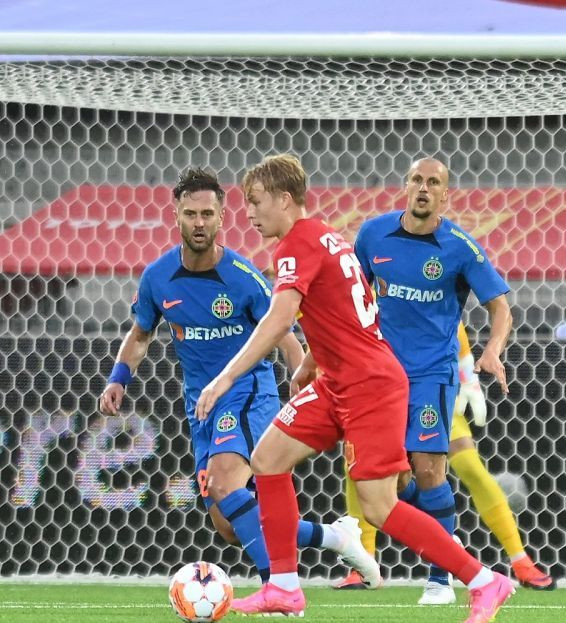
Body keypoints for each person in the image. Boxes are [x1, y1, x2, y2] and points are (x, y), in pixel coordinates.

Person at [194, 154, 515, 622]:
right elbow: (343, 310)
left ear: (285, 200)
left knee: (380, 506)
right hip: (338, 381)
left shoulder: (296, 246)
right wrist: (311, 361)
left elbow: (280, 317)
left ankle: (485, 581)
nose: (248, 213)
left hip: (370, 385)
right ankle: (284, 587)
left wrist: (226, 377)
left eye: (255, 201)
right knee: (267, 459)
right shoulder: (326, 235)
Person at [98, 168, 377, 589]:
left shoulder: (243, 278)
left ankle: (279, 590)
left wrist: (303, 385)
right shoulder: (157, 278)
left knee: (228, 483)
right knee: (229, 526)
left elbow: (282, 332)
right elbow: (140, 335)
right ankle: (335, 536)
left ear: (221, 217)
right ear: (176, 214)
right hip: (202, 405)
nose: (199, 223)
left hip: (248, 392)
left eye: (207, 214)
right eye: (191, 213)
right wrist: (118, 378)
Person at [348, 156, 519, 605]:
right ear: (406, 185)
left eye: (434, 183)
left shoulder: (460, 247)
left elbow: (500, 307)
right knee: (384, 484)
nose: (424, 188)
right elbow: (351, 297)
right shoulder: (372, 235)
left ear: (446, 195)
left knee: (429, 469)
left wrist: (491, 349)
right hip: (379, 374)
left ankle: (440, 579)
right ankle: (432, 545)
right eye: (417, 180)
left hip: (431, 375)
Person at [335, 322, 556, 593]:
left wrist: (468, 375)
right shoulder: (359, 286)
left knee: (467, 465)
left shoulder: (405, 283)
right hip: (380, 387)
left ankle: (520, 560)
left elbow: (449, 316)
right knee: (361, 466)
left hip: (430, 384)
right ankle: (364, 563)